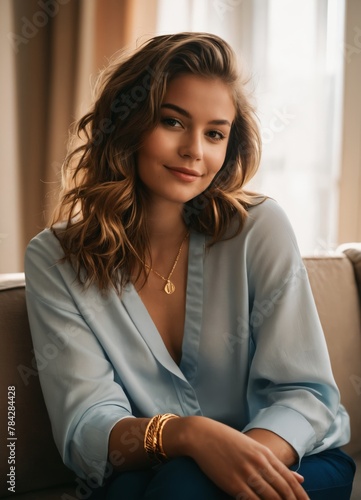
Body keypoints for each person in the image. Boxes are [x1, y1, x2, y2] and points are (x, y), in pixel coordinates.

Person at [24, 32, 355, 499]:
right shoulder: (55, 260)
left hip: (294, 460)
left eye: (215, 133)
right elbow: (86, 428)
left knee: (182, 484)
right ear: (128, 124)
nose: (195, 151)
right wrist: (190, 435)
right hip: (158, 466)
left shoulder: (258, 229)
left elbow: (306, 394)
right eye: (173, 122)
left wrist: (235, 459)